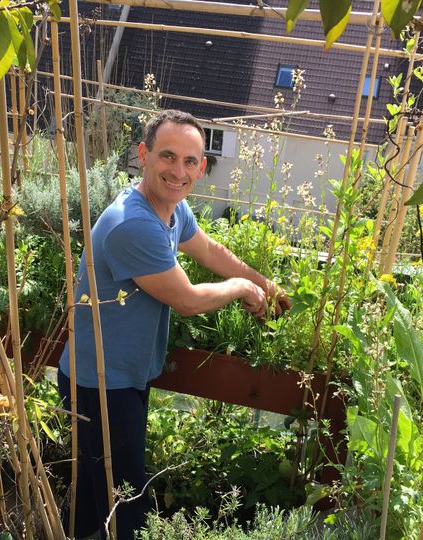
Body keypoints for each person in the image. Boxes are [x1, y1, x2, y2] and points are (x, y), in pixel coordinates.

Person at [57, 109, 291, 540]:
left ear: (201, 168)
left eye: (189, 161)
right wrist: (241, 288)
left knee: (99, 490)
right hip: (100, 383)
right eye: (167, 156)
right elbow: (185, 299)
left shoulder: (170, 209)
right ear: (143, 155)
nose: (177, 171)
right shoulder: (133, 225)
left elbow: (210, 250)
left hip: (122, 376)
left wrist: (266, 285)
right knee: (125, 500)